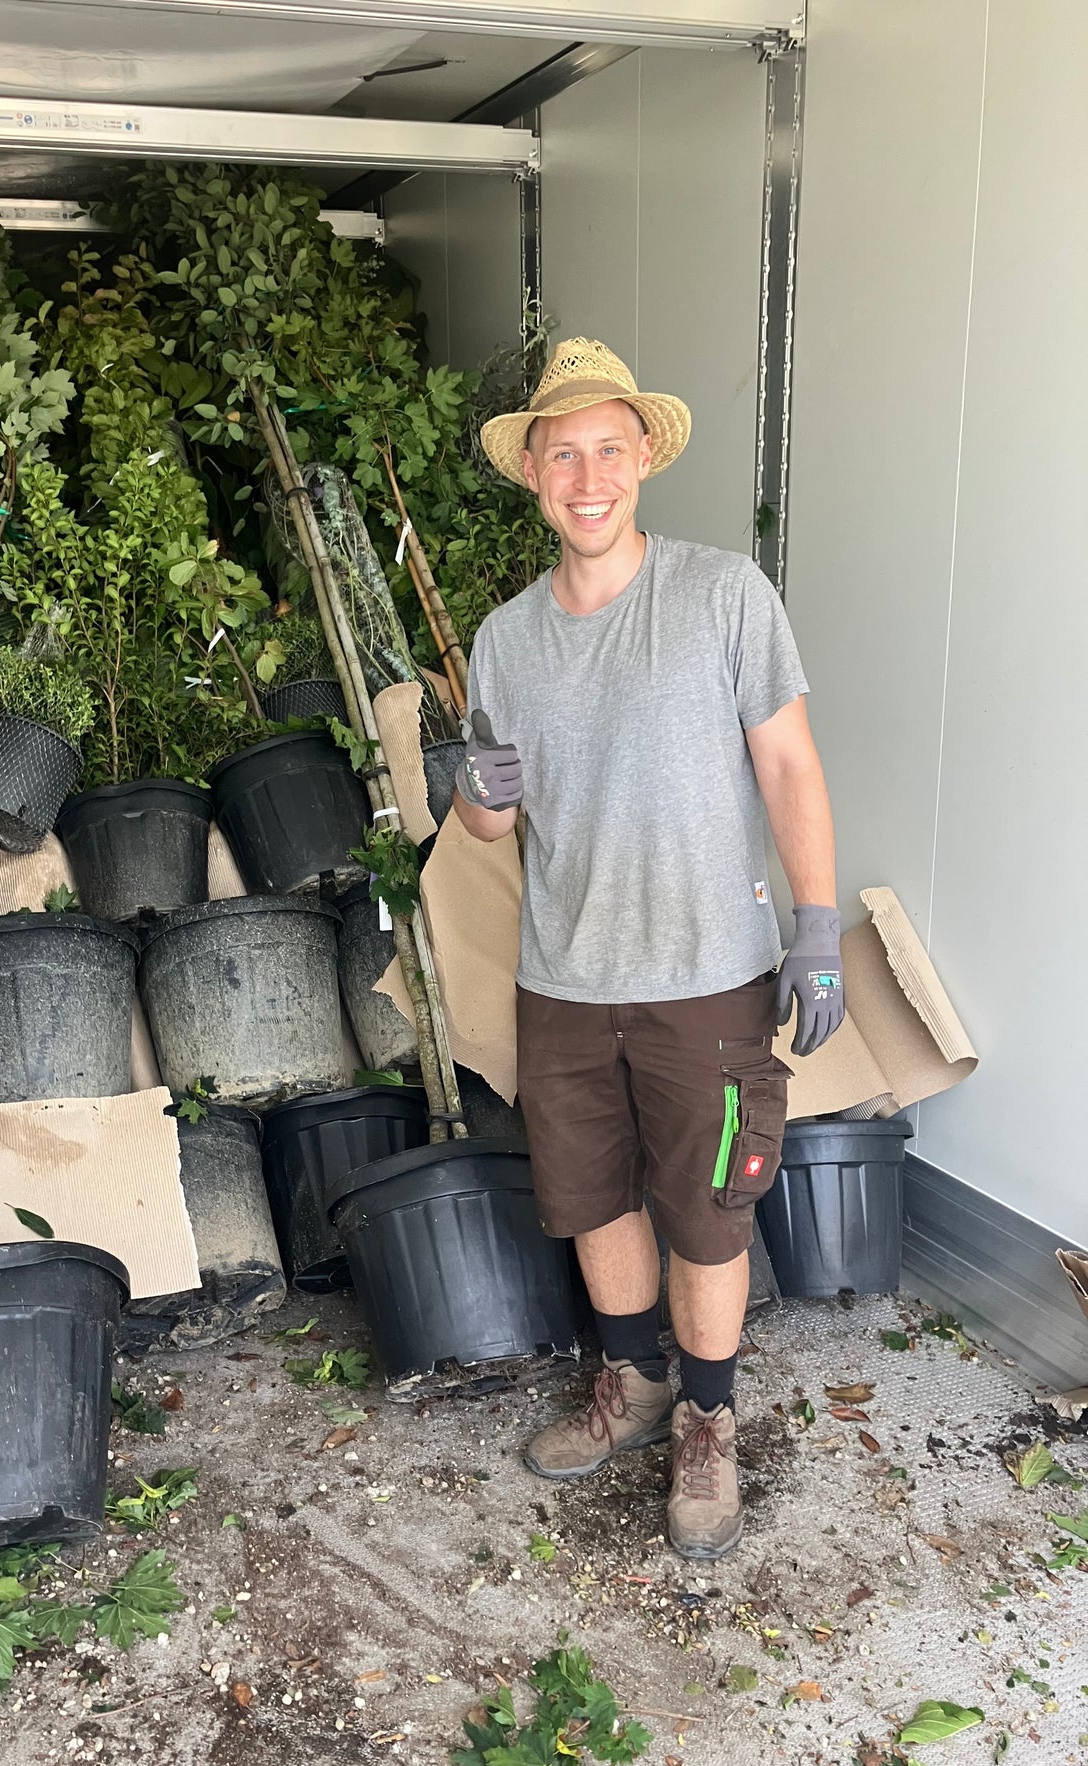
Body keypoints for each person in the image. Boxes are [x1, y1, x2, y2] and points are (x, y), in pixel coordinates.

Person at [455, 339, 844, 1561]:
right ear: (530, 471)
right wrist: (473, 789)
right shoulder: (504, 639)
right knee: (591, 1200)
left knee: (707, 1209)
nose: (586, 474)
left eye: (607, 450)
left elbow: (785, 761)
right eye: (561, 451)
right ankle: (630, 1388)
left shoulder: (723, 593)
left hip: (704, 977)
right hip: (563, 977)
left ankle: (710, 1420)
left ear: (641, 462)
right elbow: (490, 822)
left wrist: (815, 925)